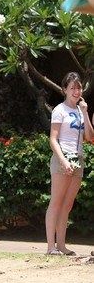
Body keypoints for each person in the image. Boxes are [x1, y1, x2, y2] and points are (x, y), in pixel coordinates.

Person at [46, 72, 92, 255]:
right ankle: (51, 247)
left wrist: (85, 112)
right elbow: (53, 139)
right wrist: (63, 160)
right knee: (56, 202)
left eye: (78, 87)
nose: (76, 90)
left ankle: (62, 246)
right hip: (62, 158)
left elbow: (89, 136)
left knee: (67, 205)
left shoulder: (81, 111)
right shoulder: (60, 110)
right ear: (64, 89)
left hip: (78, 158)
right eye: (72, 87)